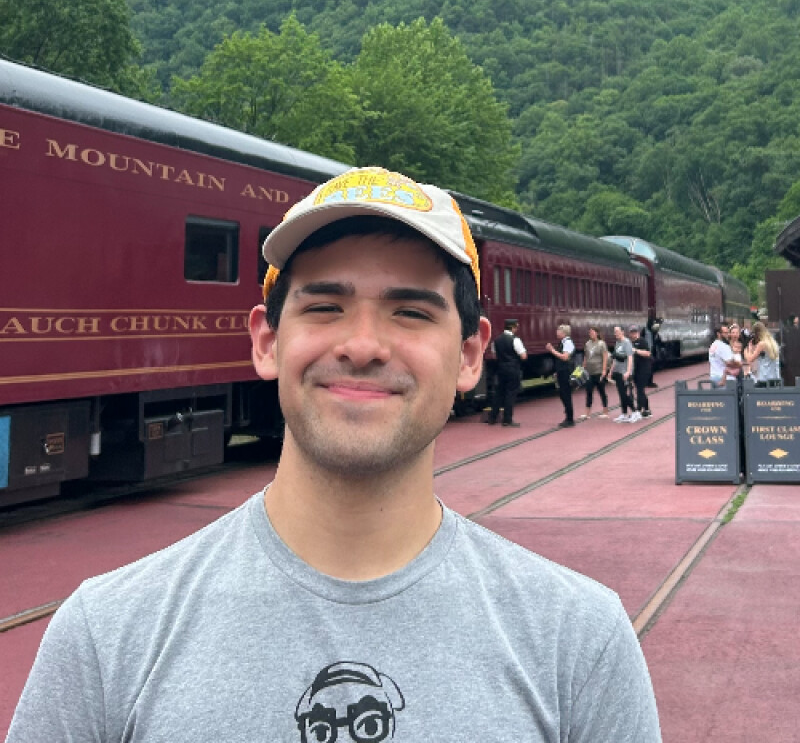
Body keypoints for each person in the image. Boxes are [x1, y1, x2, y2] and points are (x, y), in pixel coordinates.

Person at [7, 167, 661, 743]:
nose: (363, 344)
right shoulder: (103, 637)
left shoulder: (583, 643)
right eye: (325, 306)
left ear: (469, 356)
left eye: (410, 313)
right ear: (267, 342)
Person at [486, 318, 527, 427]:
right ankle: (507, 419)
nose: (517, 329)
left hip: (501, 369)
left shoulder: (496, 340)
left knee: (499, 393)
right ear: (512, 327)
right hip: (513, 369)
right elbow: (523, 356)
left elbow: (495, 356)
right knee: (510, 394)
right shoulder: (515, 340)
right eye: (516, 327)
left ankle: (492, 418)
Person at [546, 323, 576, 428]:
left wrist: (552, 350)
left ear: (564, 333)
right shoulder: (562, 342)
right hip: (562, 371)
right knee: (563, 394)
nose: (557, 332)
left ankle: (570, 419)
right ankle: (568, 416)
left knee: (566, 394)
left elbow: (565, 357)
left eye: (559, 331)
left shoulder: (568, 342)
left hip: (566, 372)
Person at [607, 325, 636, 423]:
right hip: (618, 372)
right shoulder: (617, 343)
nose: (615, 333)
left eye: (617, 331)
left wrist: (628, 371)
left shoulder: (626, 342)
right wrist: (611, 371)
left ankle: (635, 412)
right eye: (614, 332)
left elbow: (630, 358)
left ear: (622, 332)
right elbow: (615, 359)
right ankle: (624, 413)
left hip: (624, 372)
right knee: (621, 394)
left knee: (625, 394)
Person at [579, 325, 609, 419]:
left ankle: (605, 411)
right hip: (589, 372)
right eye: (590, 332)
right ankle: (587, 413)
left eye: (592, 332)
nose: (591, 334)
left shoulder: (601, 344)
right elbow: (586, 356)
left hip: (599, 371)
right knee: (588, 391)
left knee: (601, 391)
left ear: (597, 333)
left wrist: (604, 370)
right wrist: (583, 367)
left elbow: (605, 357)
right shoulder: (587, 344)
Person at [744, 321, 781, 386]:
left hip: (763, 379)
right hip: (773, 378)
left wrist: (748, 349)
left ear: (756, 333)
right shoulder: (772, 343)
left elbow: (750, 359)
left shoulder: (762, 344)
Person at [629, 325, 652, 419]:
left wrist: (636, 351)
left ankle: (638, 410)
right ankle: (647, 410)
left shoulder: (642, 341)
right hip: (636, 370)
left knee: (639, 390)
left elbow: (648, 353)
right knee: (639, 390)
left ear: (638, 332)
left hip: (644, 369)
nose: (633, 334)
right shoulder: (630, 343)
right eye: (632, 332)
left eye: (635, 332)